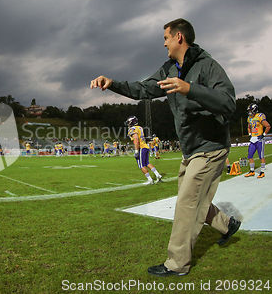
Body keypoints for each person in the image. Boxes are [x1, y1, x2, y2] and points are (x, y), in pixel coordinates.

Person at [90, 18, 240, 276]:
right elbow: (143, 88)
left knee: (186, 203)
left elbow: (228, 102)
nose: (164, 43)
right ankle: (228, 225)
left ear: (179, 37)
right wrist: (112, 83)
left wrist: (190, 89)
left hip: (211, 147)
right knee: (196, 200)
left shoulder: (208, 66)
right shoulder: (169, 69)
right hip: (191, 150)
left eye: (166, 38)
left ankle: (177, 264)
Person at [125, 116, 162, 184]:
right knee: (147, 163)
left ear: (131, 122)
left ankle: (150, 180)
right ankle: (158, 175)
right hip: (145, 147)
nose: (128, 124)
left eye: (128, 122)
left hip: (141, 148)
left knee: (141, 165)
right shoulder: (140, 127)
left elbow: (136, 139)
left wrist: (136, 151)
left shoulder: (132, 129)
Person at [244, 103, 270, 178]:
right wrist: (249, 134)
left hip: (259, 139)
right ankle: (252, 171)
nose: (249, 112)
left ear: (254, 110)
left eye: (250, 110)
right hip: (253, 139)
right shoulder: (249, 118)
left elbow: (268, 126)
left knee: (261, 156)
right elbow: (249, 127)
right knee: (250, 155)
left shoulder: (260, 116)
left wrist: (264, 134)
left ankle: (262, 172)